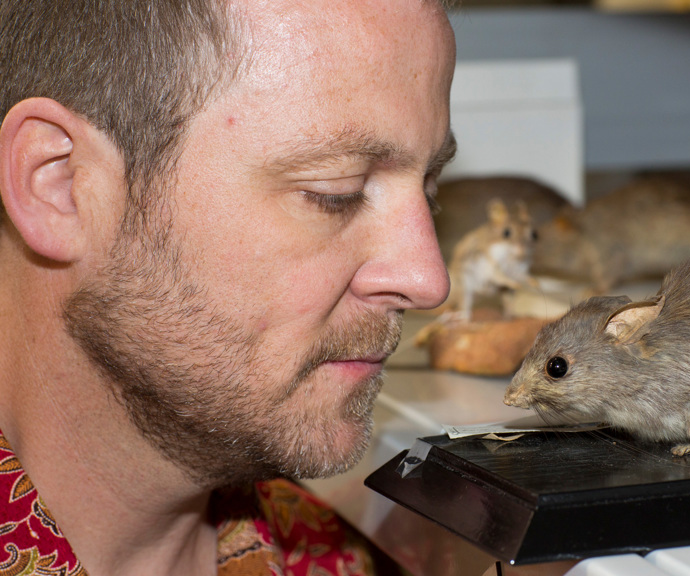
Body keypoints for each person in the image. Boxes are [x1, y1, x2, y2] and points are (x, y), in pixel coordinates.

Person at [0, 0, 456, 574]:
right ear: (62, 185)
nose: (427, 279)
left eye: (431, 189)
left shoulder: (341, 556)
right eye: (333, 191)